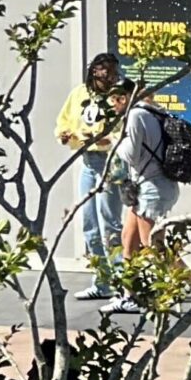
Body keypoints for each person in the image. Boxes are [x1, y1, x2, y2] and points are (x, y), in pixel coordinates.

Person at [56, 54, 125, 297]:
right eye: (107, 70)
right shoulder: (79, 93)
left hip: (111, 162)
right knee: (89, 224)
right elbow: (64, 121)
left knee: (110, 223)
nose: (112, 75)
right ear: (95, 71)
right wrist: (66, 134)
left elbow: (128, 128)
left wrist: (109, 139)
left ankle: (121, 283)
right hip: (88, 162)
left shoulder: (119, 95)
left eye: (115, 70)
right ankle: (102, 282)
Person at [113, 86, 178, 261]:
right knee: (128, 241)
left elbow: (131, 156)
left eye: (114, 101)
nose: (112, 107)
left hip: (152, 189)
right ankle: (130, 288)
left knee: (153, 249)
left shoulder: (136, 115)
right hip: (151, 186)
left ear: (125, 98)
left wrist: (114, 140)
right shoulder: (155, 112)